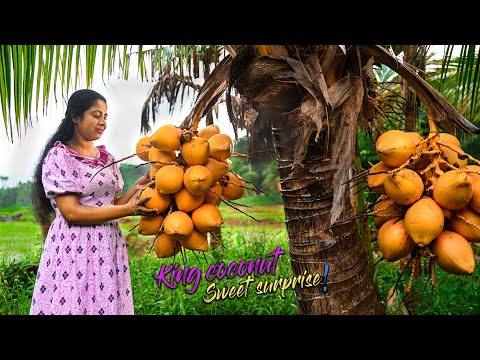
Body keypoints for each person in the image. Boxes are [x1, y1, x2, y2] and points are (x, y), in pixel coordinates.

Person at [30, 89, 158, 315]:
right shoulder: (60, 156)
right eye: (96, 115)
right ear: (76, 117)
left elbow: (110, 202)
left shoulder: (106, 158)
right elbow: (72, 212)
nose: (102, 122)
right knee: (75, 303)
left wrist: (138, 186)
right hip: (75, 245)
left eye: (105, 116)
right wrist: (129, 208)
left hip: (108, 244)